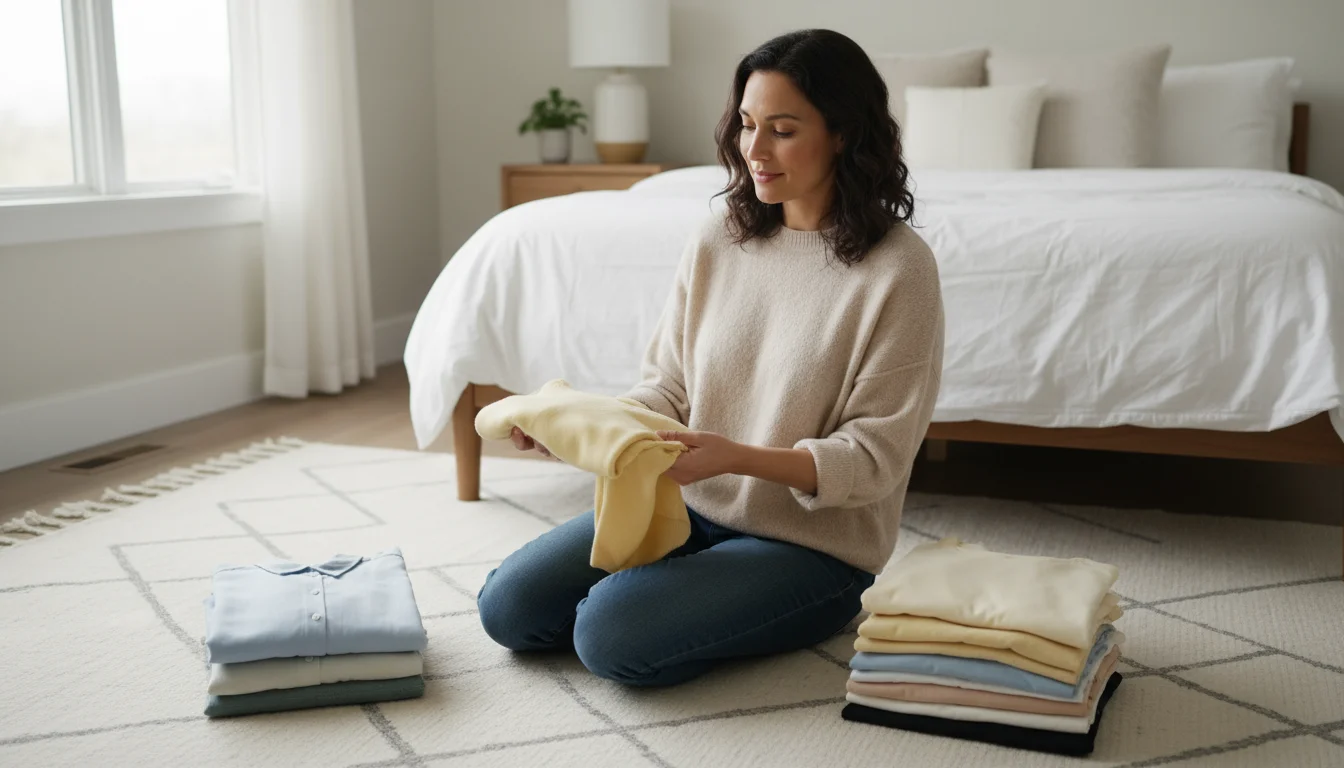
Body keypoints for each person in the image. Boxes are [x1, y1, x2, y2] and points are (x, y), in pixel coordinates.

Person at [476, 28, 944, 687]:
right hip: (686, 508)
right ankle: (687, 588)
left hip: (812, 549)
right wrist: (582, 434)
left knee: (607, 634)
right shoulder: (720, 237)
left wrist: (737, 458)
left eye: (782, 129)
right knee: (509, 609)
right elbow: (665, 388)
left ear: (843, 133)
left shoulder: (898, 270)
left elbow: (874, 460)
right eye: (747, 124)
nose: (753, 150)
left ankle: (772, 605)